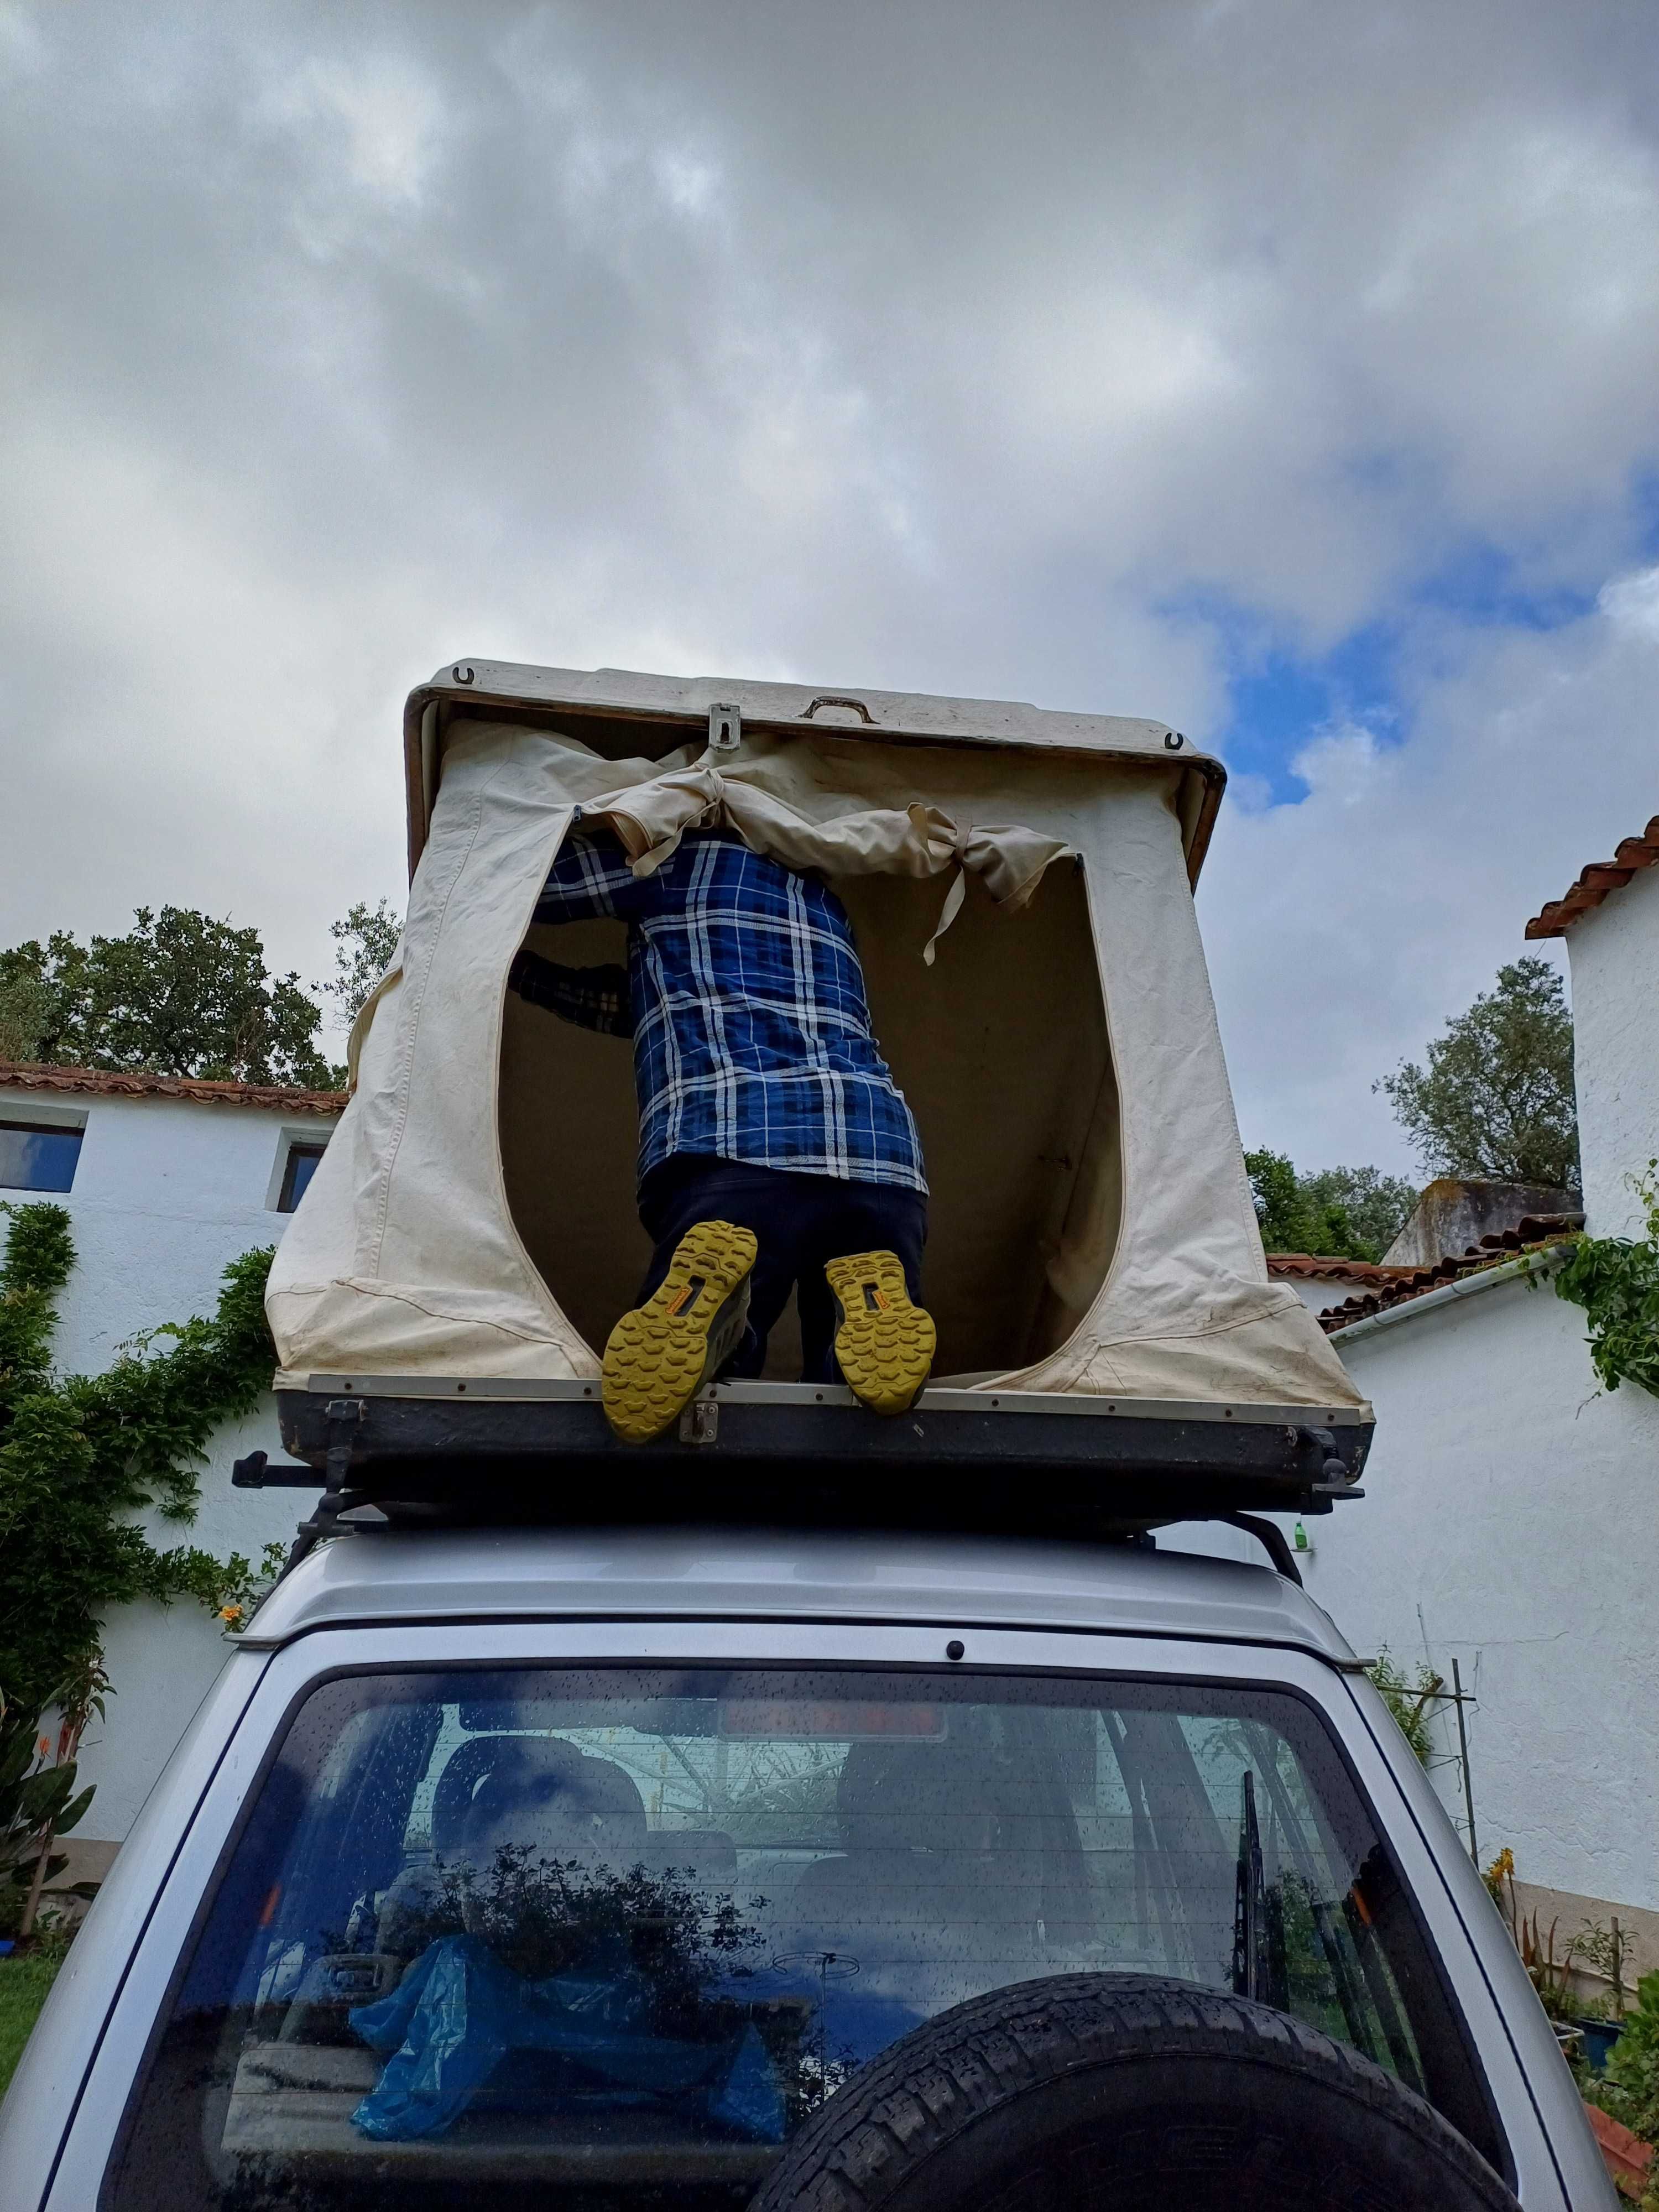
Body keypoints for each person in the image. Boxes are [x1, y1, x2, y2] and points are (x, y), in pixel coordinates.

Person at [509, 822, 935, 1443]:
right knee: (856, 1402)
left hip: (736, 1149)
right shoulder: (828, 907)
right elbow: (643, 999)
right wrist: (532, 978)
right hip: (880, 1153)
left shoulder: (672, 862)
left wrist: (501, 956)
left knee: (702, 1389)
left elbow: (519, 883)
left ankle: (721, 1323)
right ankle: (862, 1303)